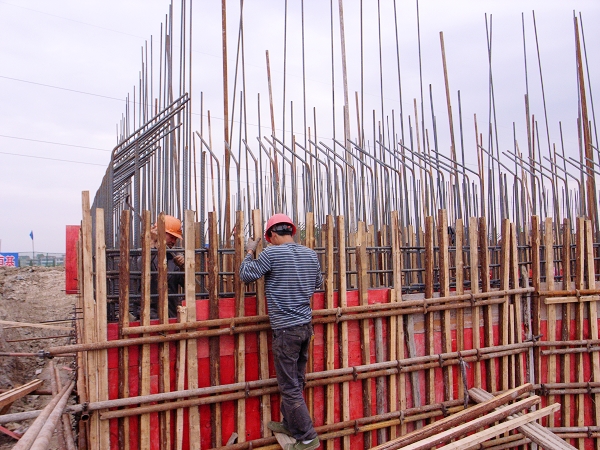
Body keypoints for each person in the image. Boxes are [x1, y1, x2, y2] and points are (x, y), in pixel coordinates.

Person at [239, 213, 322, 450]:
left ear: (272, 234)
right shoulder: (310, 254)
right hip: (305, 327)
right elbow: (318, 283)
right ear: (291, 231)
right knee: (296, 380)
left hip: (286, 330)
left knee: (289, 385)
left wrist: (248, 252)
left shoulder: (271, 253)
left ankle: (307, 437)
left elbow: (246, 275)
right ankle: (290, 424)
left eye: (269, 238)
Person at [131, 214, 185, 320]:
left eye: (176, 238)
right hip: (148, 313)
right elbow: (140, 269)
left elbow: (185, 284)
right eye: (172, 236)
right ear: (159, 232)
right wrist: (151, 244)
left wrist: (183, 268)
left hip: (171, 312)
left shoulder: (174, 257)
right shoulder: (142, 253)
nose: (174, 241)